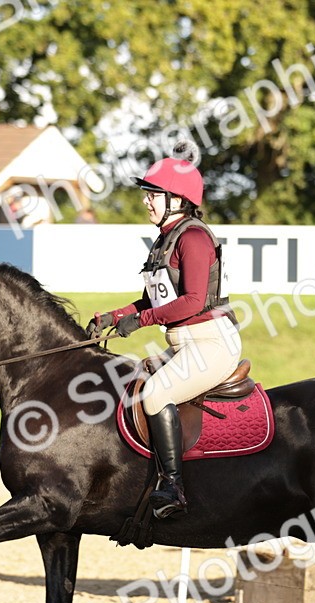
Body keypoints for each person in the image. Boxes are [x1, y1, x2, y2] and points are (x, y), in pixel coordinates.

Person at [84, 156, 241, 519]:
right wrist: (116, 315)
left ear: (178, 199)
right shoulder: (165, 240)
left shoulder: (194, 238)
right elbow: (156, 298)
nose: (146, 201)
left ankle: (173, 487)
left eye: (153, 194)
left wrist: (141, 321)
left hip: (211, 342)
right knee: (135, 381)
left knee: (156, 393)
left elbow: (192, 301)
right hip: (185, 342)